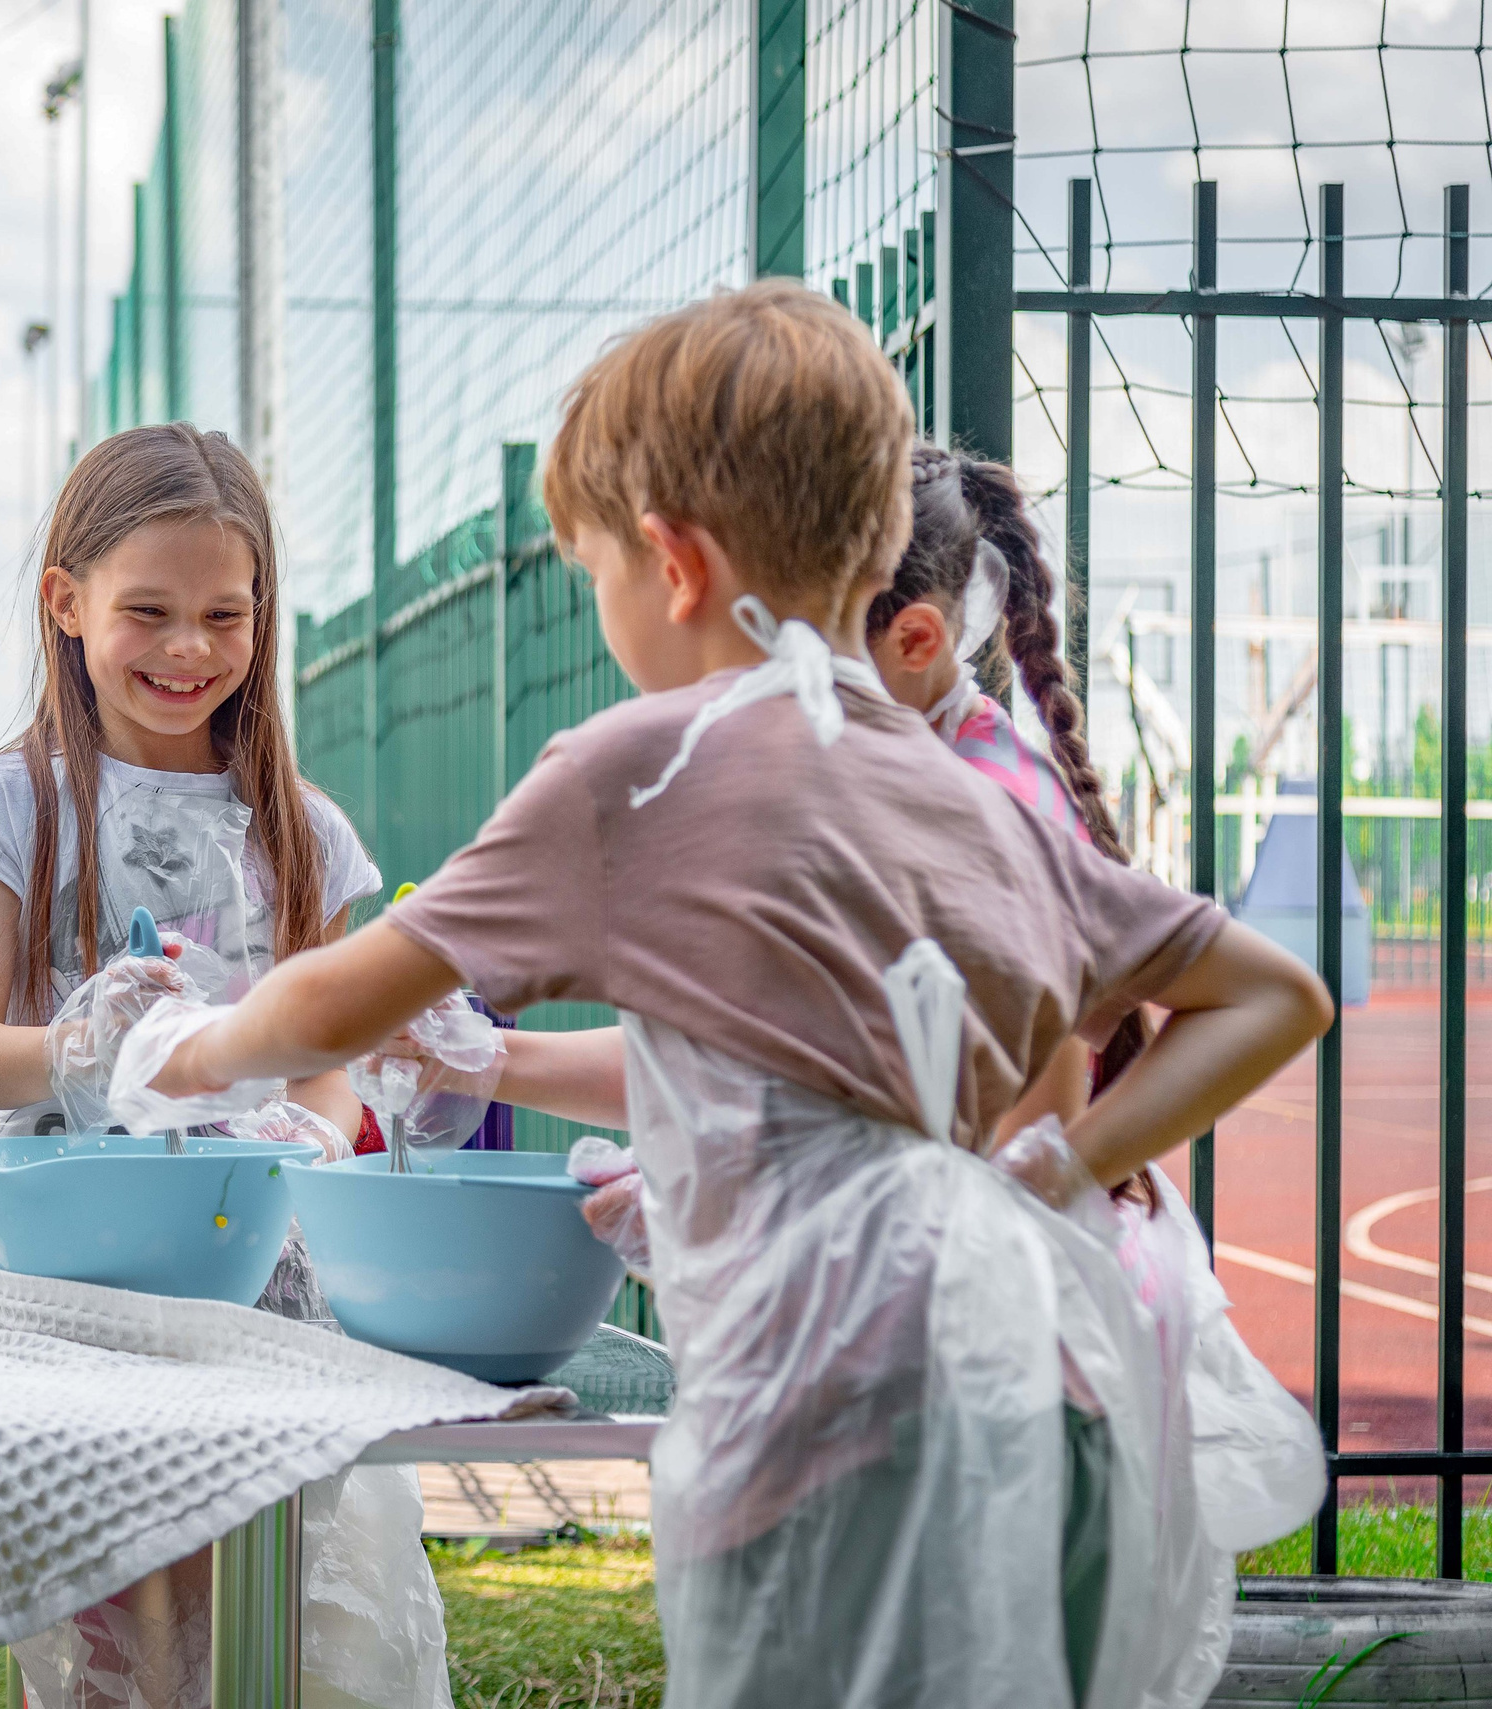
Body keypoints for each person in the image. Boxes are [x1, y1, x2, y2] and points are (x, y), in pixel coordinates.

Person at [133, 283, 1334, 1708]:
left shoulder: (636, 772)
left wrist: (189, 1046)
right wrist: (1058, 1161)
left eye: (596, 574)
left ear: (673, 561)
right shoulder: (967, 795)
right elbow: (1274, 996)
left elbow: (334, 1005)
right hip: (1042, 1411)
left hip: (820, 1448)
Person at [0, 423, 432, 1705]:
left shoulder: (303, 827)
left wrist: (323, 1127)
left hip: (267, 1269)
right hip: (87, 1280)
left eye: (225, 613)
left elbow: (325, 1060)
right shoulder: (15, 802)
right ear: (66, 602)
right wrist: (78, 1050)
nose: (188, 648)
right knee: (127, 1626)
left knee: (285, 1600)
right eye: (147, 610)